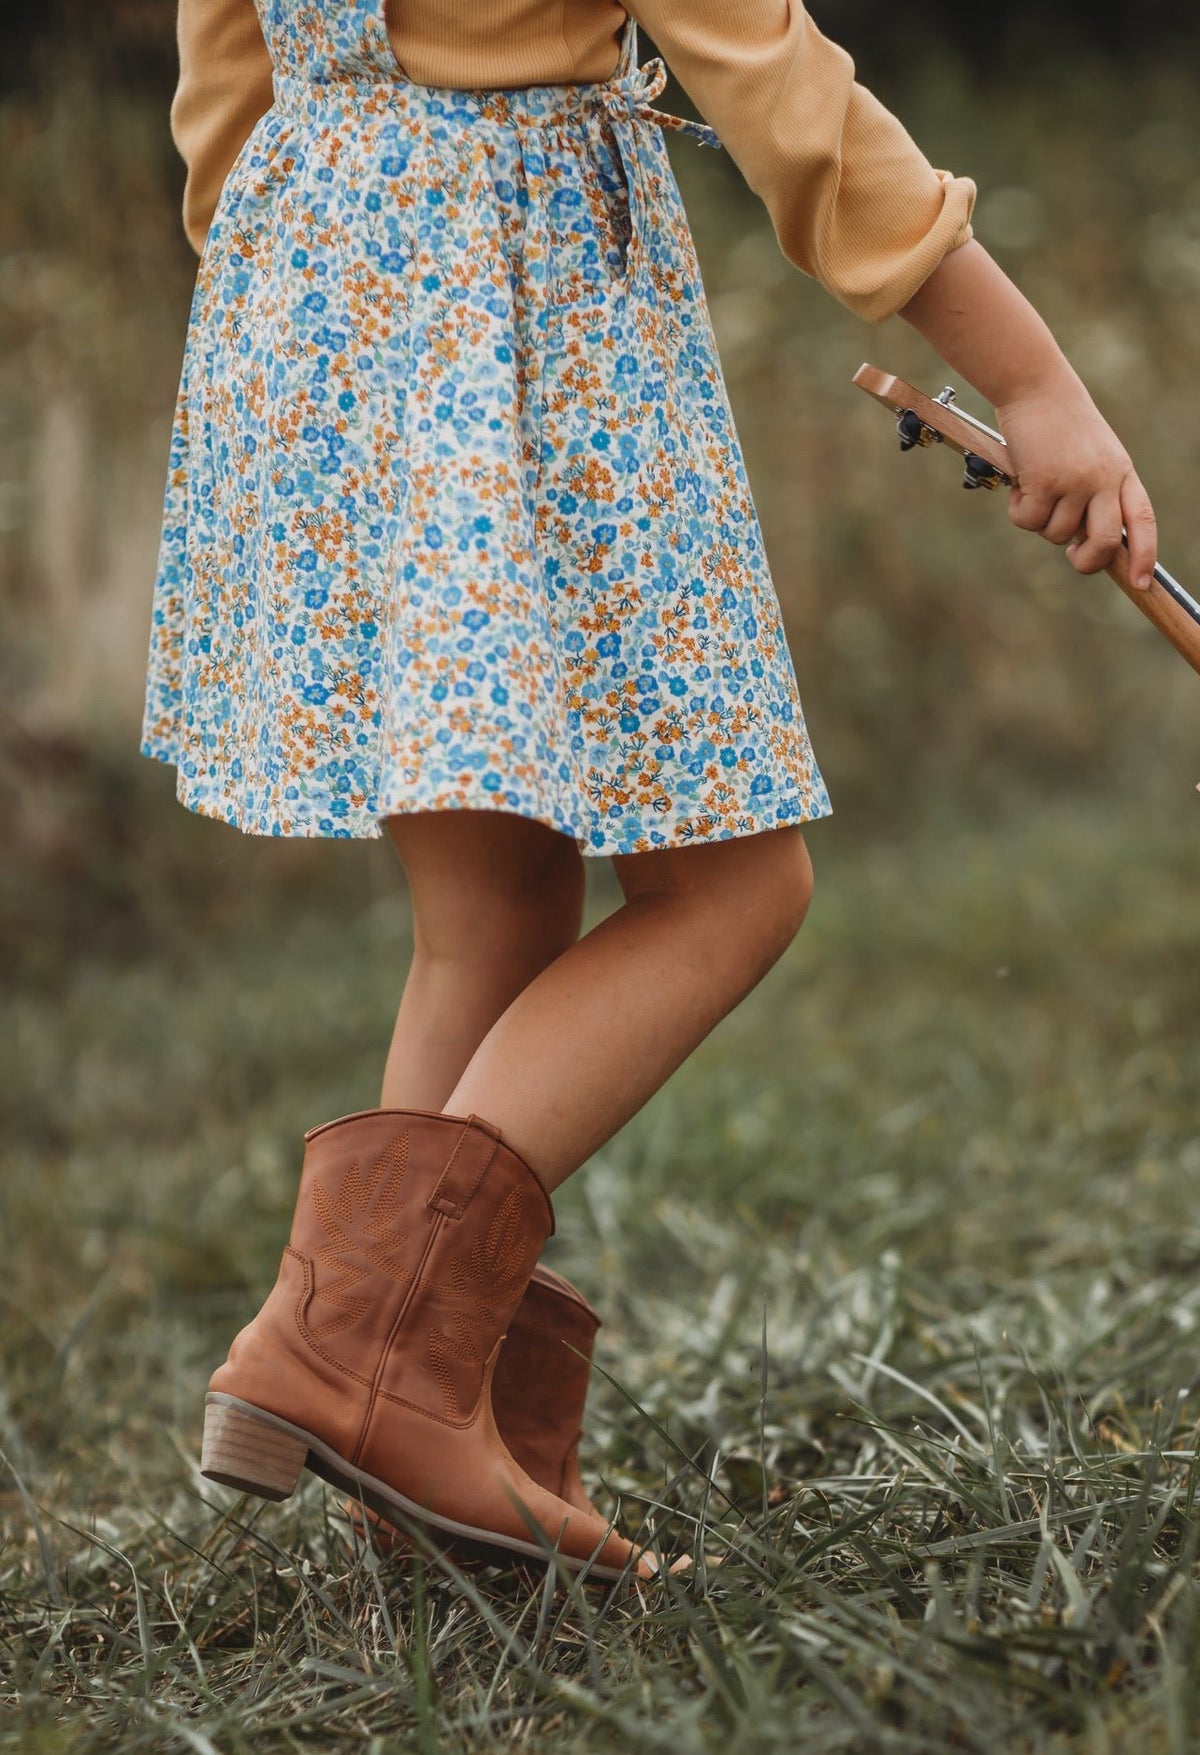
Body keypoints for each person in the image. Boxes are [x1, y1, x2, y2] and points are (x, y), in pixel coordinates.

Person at [142, 0, 1157, 1583]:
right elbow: (789, 99)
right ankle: (363, 1354)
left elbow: (226, 75)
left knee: (489, 919)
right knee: (733, 888)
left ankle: (427, 1467)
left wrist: (285, 271)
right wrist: (1037, 384)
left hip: (316, 294)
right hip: (518, 297)